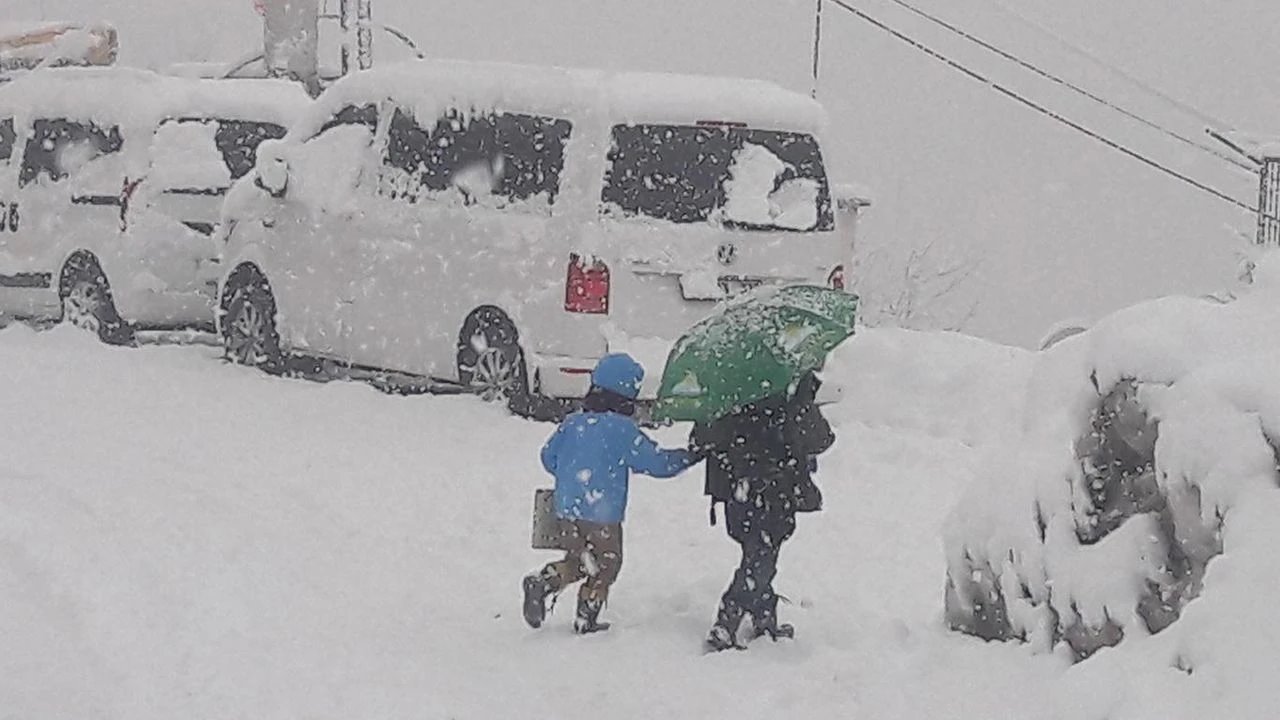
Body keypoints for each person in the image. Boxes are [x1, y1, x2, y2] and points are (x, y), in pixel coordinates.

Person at [522, 353, 698, 634]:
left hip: (567, 508)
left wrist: (572, 475)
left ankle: (545, 580)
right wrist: (688, 457)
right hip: (602, 513)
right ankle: (586, 616)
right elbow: (656, 463)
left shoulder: (573, 423)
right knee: (606, 565)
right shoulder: (622, 430)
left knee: (579, 560)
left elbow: (548, 457)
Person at [691, 371, 835, 651]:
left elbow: (700, 440)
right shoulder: (788, 399)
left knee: (757, 553)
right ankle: (726, 621)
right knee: (761, 556)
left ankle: (763, 617)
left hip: (737, 492)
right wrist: (805, 399)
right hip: (776, 493)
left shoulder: (727, 397)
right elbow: (820, 439)